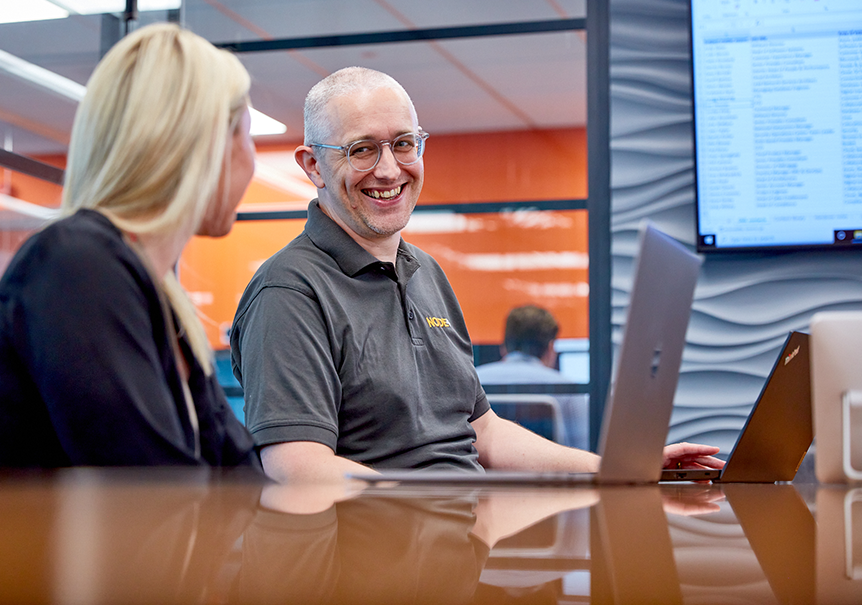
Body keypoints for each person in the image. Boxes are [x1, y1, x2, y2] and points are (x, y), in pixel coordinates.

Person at [230, 66, 723, 483]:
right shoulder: (288, 291)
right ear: (313, 165)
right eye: (361, 150)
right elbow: (297, 465)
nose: (388, 170)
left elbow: (482, 431)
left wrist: (611, 471)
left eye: (404, 144)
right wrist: (432, 509)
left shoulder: (426, 273)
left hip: (459, 548)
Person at [0, 24, 261, 471]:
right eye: (247, 134)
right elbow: (153, 491)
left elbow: (239, 479)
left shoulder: (160, 301)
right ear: (205, 146)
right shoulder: (76, 267)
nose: (251, 156)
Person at [476, 305, 589, 449]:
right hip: (549, 470)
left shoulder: (474, 381)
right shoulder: (569, 390)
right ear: (550, 349)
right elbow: (581, 450)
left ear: (503, 347)